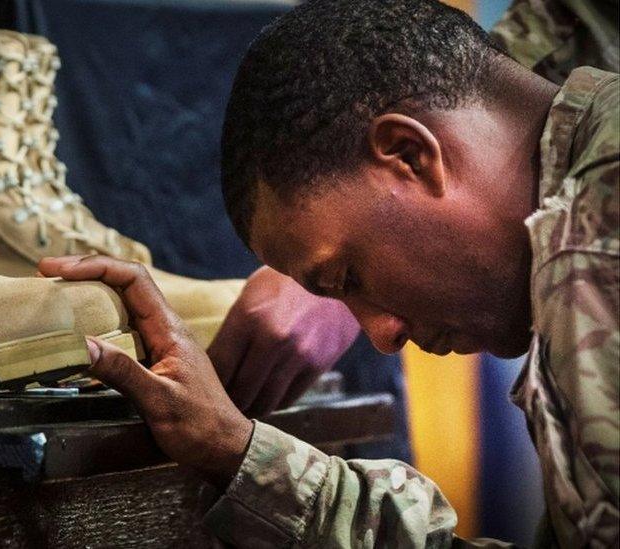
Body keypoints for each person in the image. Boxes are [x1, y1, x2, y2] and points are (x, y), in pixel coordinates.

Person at [37, 0, 620, 545]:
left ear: (411, 155)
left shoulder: (593, 242)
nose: (383, 336)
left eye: (349, 277)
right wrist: (236, 453)